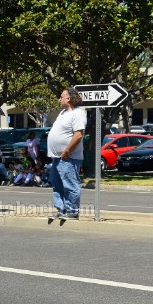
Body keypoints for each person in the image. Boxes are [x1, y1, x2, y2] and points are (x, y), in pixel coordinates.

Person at [47, 88, 86, 221]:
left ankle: (72, 211)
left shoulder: (78, 113)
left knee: (70, 184)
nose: (59, 99)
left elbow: (78, 134)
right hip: (57, 157)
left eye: (61, 96)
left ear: (68, 99)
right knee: (57, 185)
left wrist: (67, 151)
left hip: (69, 157)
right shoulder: (63, 112)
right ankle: (61, 209)